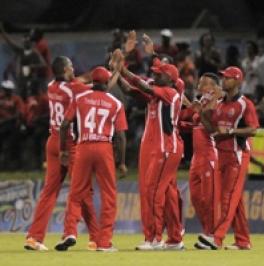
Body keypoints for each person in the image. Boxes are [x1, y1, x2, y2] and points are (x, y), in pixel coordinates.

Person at [24, 56, 98, 251]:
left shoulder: (51, 86)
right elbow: (99, 87)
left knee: (49, 192)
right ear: (66, 70)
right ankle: (74, 233)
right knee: (80, 190)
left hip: (52, 141)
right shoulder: (73, 89)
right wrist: (115, 70)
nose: (73, 69)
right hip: (69, 143)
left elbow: (81, 80)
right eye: (71, 67)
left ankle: (34, 237)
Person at [113, 48, 184, 250]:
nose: (154, 74)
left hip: (165, 146)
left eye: (158, 73)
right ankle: (175, 239)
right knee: (164, 194)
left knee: (153, 192)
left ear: (169, 78)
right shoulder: (157, 90)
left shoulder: (171, 92)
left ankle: (154, 239)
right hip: (155, 145)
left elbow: (142, 85)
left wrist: (123, 70)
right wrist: (118, 73)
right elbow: (129, 90)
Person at [55, 65, 127, 252]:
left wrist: (63, 150)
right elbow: (120, 136)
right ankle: (103, 242)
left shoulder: (80, 98)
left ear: (93, 81)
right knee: (109, 196)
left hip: (83, 146)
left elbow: (64, 125)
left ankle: (70, 231)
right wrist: (121, 162)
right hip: (104, 148)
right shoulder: (115, 103)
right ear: (106, 82)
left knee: (76, 193)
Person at [199, 66, 259, 250]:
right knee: (236, 200)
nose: (223, 81)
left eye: (227, 78)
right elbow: (212, 130)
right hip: (221, 154)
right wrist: (202, 112)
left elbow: (253, 129)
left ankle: (217, 239)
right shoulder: (220, 103)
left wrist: (232, 131)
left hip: (237, 155)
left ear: (237, 81)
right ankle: (243, 241)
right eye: (223, 77)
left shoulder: (244, 103)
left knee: (227, 198)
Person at [179, 73, 222, 249]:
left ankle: (213, 236)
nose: (199, 84)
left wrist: (196, 109)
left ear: (212, 87)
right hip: (197, 157)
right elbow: (195, 125)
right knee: (197, 198)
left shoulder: (217, 104)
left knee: (209, 198)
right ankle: (207, 232)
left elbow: (213, 130)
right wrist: (183, 124)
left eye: (203, 83)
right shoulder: (202, 102)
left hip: (210, 154)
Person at [0, 80, 25, 170]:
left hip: (12, 126)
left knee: (11, 146)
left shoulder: (16, 99)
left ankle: (11, 166)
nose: (7, 91)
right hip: (1, 125)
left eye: (9, 90)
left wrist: (7, 120)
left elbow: (20, 113)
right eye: (5, 89)